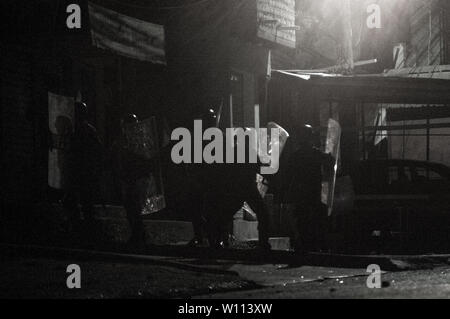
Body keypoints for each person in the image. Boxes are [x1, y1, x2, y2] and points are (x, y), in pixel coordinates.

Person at [283, 124, 333, 253]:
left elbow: (288, 175)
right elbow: (329, 161)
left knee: (302, 220)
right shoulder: (315, 153)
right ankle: (319, 245)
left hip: (301, 193)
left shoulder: (296, 155)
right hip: (313, 192)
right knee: (317, 219)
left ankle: (303, 244)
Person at [113, 114, 154, 249]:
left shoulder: (140, 141)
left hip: (138, 178)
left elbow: (146, 159)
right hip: (128, 178)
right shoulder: (123, 140)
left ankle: (140, 235)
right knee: (130, 209)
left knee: (135, 208)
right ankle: (138, 235)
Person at [64, 102, 103, 231]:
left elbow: (96, 149)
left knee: (81, 200)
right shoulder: (84, 129)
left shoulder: (81, 129)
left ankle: (81, 226)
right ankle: (82, 225)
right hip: (82, 170)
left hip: (82, 170)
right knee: (81, 200)